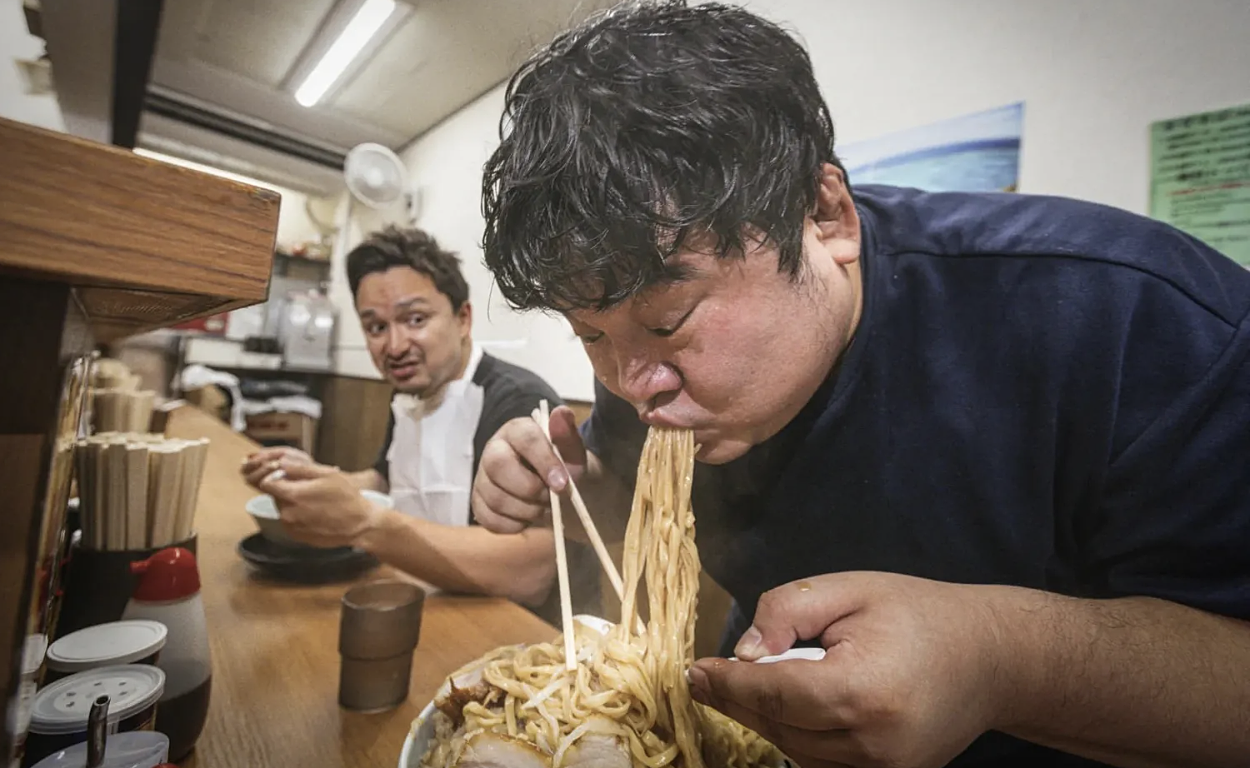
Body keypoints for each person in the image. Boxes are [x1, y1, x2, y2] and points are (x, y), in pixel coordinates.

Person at [469, 2, 1250, 767]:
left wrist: (1001, 658)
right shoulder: (643, 356)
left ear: (823, 213)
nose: (635, 385)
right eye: (589, 335)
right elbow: (623, 497)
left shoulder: (1133, 317)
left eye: (672, 321)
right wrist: (571, 489)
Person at [242, 226, 599, 624]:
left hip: (508, 627)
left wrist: (364, 523)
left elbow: (533, 570)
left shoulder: (519, 400)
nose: (394, 346)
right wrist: (311, 479)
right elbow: (384, 480)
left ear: (463, 318)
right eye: (376, 327)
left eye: (415, 319)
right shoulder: (410, 394)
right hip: (426, 602)